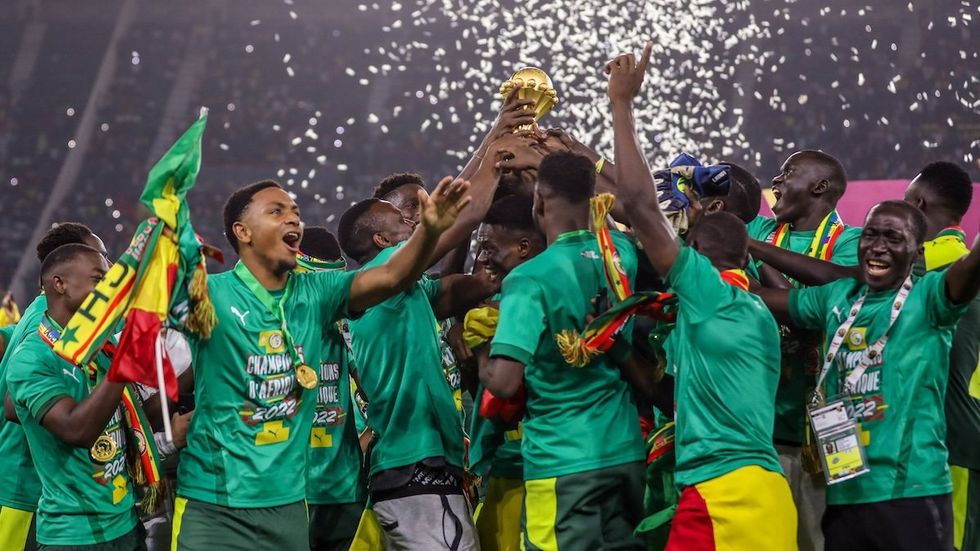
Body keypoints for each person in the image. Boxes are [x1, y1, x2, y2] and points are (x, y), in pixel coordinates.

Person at [170, 177, 471, 551]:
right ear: (242, 231)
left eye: (295, 211)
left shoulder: (317, 293)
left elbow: (393, 275)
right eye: (276, 211)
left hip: (292, 506)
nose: (293, 219)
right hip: (216, 504)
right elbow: (138, 314)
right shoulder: (209, 294)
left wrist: (429, 231)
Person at [606, 44, 796, 551]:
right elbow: (671, 393)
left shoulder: (711, 294)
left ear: (699, 255)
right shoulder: (749, 308)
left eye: (684, 246)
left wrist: (621, 105)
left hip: (722, 496)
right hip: (767, 496)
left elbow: (640, 207)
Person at [754, 199, 980, 550]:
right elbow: (763, 298)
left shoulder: (930, 298)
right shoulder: (839, 296)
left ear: (916, 252)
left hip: (911, 493)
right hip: (844, 494)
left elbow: (972, 264)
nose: (877, 246)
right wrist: (718, 257)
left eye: (892, 237)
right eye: (871, 234)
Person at [479, 149, 647, 551]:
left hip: (563, 461)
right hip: (624, 450)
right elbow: (621, 216)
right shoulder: (620, 257)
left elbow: (503, 383)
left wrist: (480, 349)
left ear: (538, 201)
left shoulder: (529, 278)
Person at [336, 193, 497, 550]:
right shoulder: (384, 271)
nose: (414, 223)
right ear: (383, 240)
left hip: (409, 469)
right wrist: (494, 152)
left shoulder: (404, 292)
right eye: (402, 219)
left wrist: (495, 271)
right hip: (418, 467)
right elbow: (453, 224)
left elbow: (456, 289)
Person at [743, 149, 863, 551]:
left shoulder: (853, 242)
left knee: (819, 540)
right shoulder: (756, 230)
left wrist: (753, 254)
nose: (776, 182)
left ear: (820, 186)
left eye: (787, 172)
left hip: (823, 430)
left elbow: (825, 304)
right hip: (761, 425)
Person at [6, 243, 146, 550]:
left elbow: (127, 409)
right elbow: (76, 430)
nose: (110, 288)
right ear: (60, 284)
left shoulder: (102, 345)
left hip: (126, 521)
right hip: (74, 535)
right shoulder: (33, 356)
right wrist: (125, 363)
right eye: (99, 279)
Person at [0, 222, 109, 551]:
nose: (108, 266)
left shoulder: (47, 312)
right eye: (99, 258)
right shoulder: (42, 322)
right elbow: (12, 406)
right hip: (25, 486)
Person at [904, 161, 979, 551]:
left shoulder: (936, 264)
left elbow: (845, 278)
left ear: (918, 203)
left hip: (955, 440)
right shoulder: (960, 263)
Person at [466, 194, 546, 551]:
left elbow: (502, 383)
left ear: (524, 247)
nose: (482, 257)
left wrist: (482, 347)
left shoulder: (539, 297)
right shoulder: (479, 315)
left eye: (487, 246)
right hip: (505, 468)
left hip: (545, 467)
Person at [298, 226, 367, 551]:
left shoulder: (351, 323)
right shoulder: (264, 322)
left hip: (343, 485)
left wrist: (371, 435)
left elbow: (379, 391)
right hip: (287, 491)